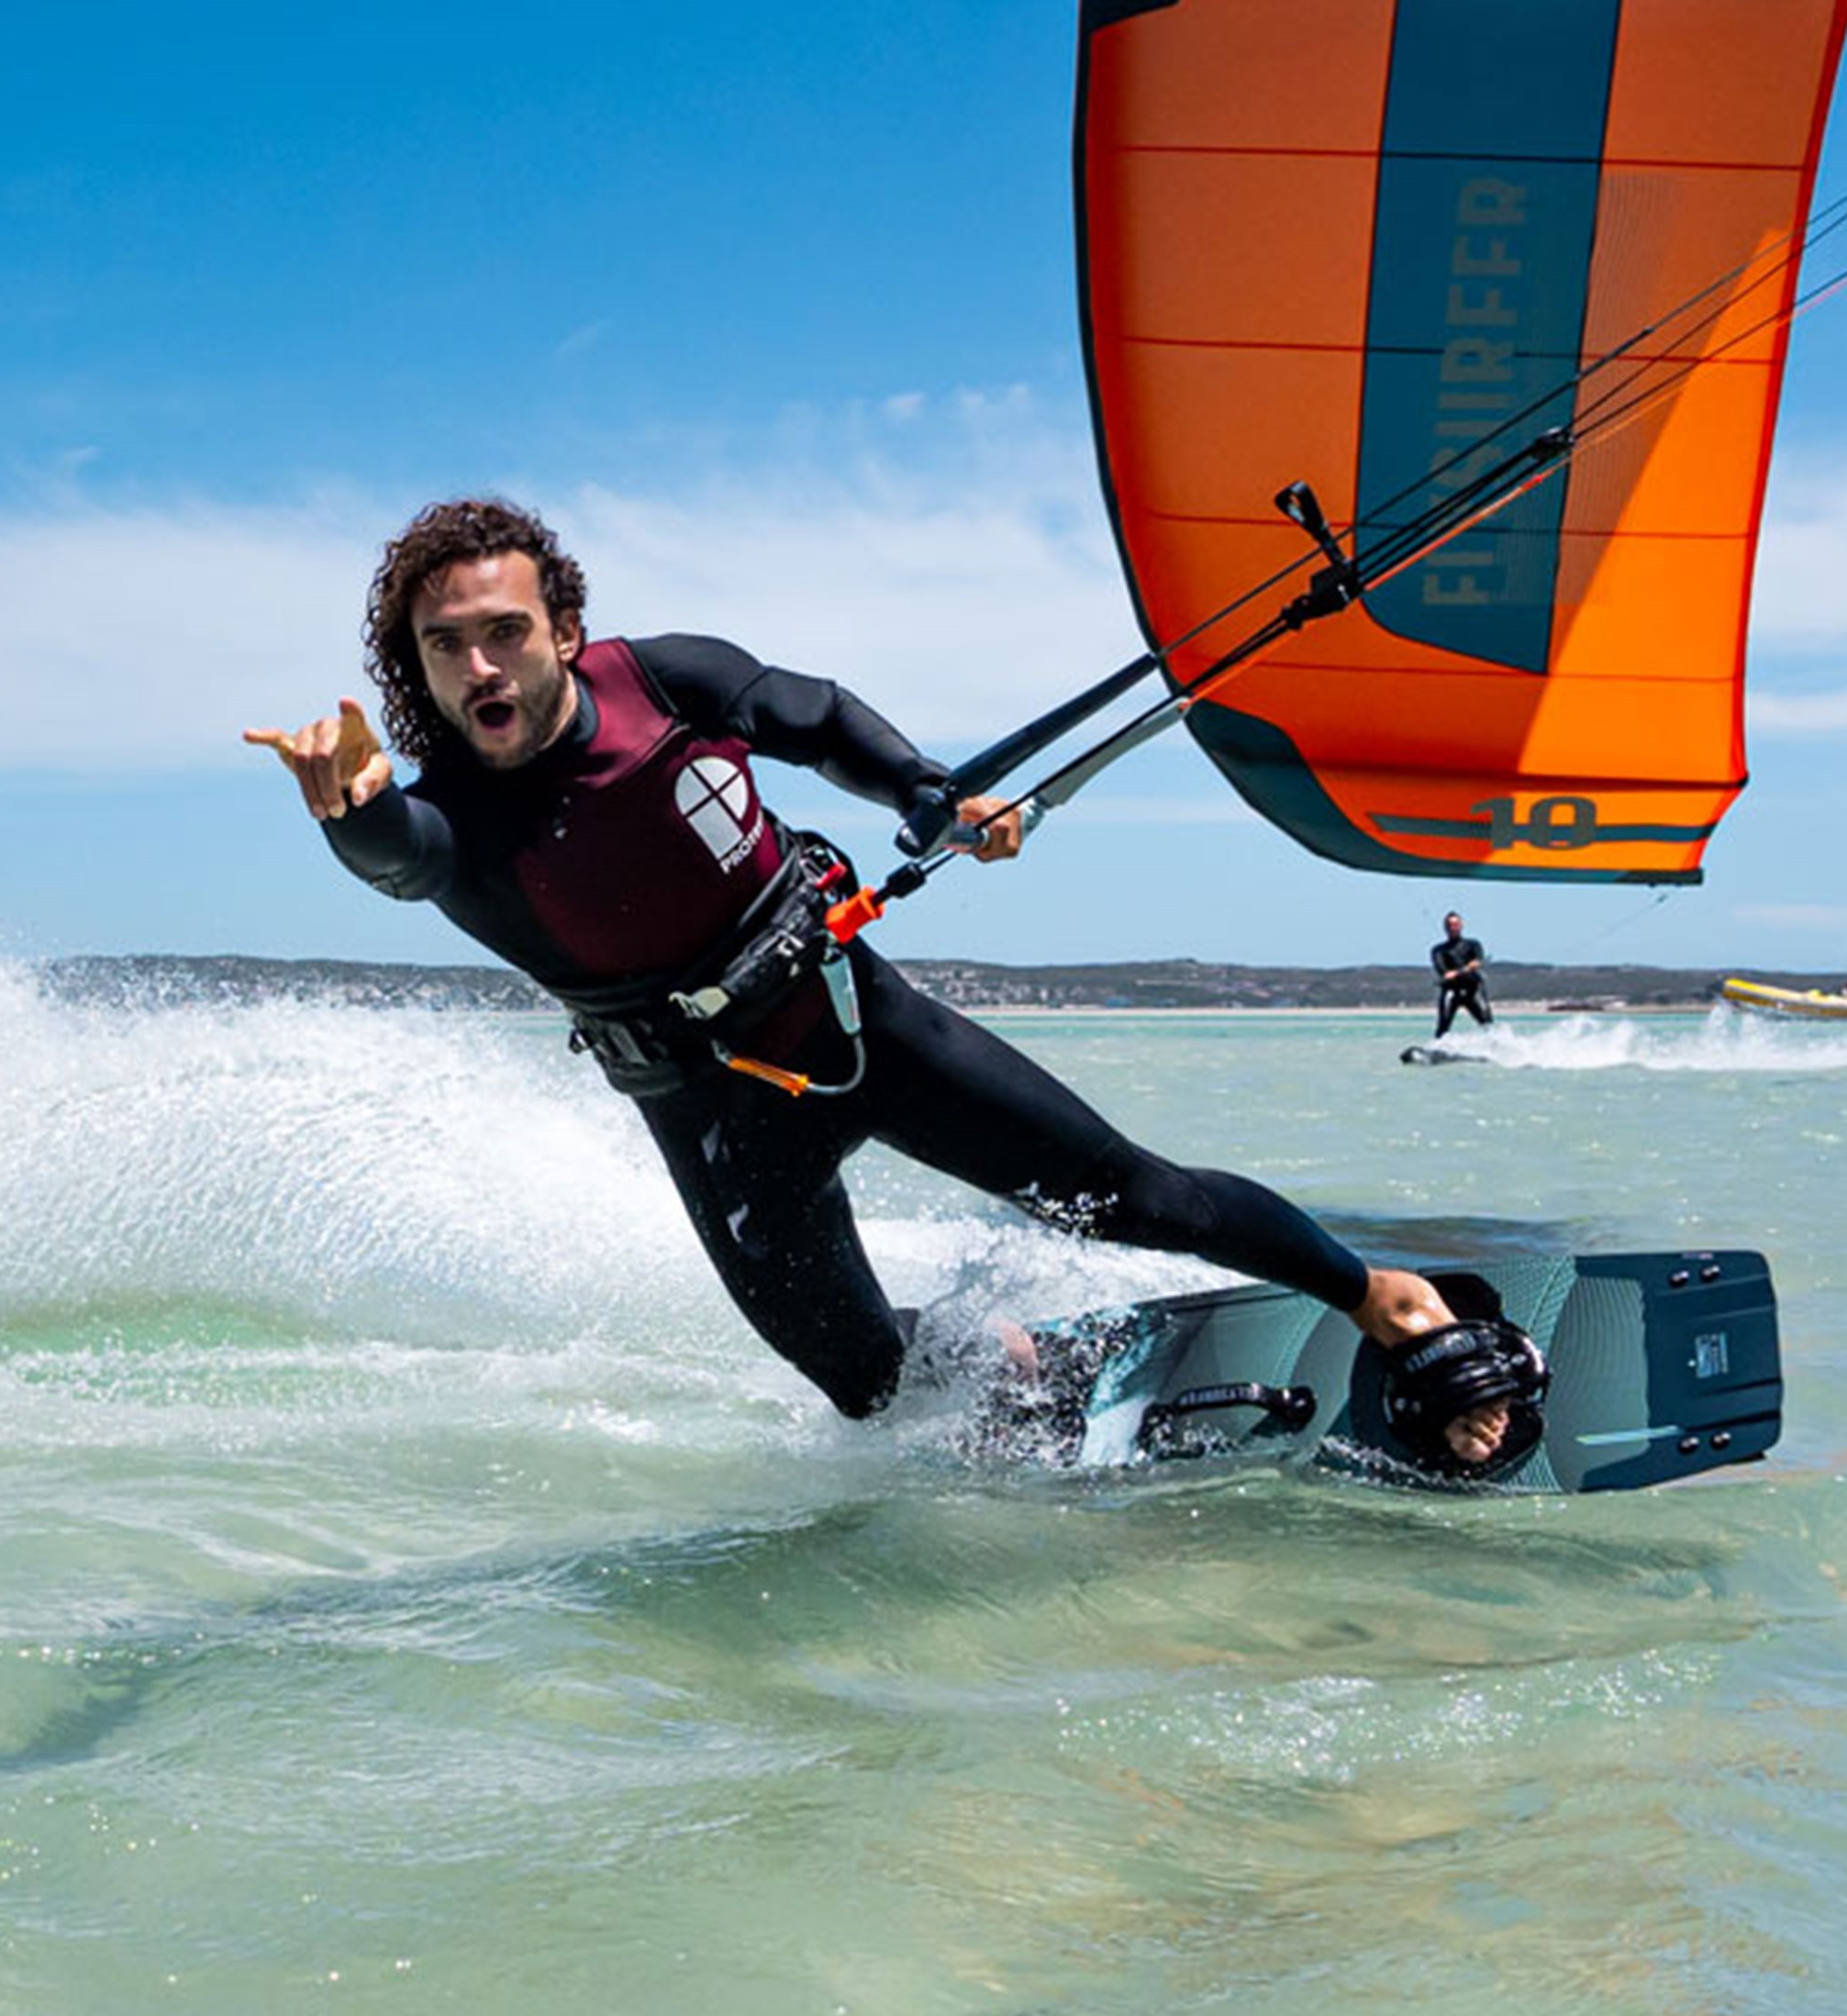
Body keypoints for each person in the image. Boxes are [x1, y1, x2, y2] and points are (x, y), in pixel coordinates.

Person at [248, 498, 1523, 1463]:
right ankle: (997, 1361)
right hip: (719, 1119)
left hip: (862, 1026)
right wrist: (351, 807)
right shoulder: (453, 823)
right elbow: (399, 860)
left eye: (505, 633)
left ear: (563, 633)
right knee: (865, 1388)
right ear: (417, 669)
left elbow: (808, 716)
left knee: (1134, 1198)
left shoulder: (662, 681)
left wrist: (926, 794)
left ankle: (1377, 1293)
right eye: (446, 646)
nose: (480, 667)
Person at [1430, 910, 1493, 1038]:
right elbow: (1444, 971)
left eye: (1455, 925)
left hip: (1473, 989)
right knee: (1443, 1026)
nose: (1453, 928)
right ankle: (1439, 1045)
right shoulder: (1438, 950)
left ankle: (1494, 1043)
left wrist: (1459, 972)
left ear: (1461, 926)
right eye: (1449, 925)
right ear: (1445, 928)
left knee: (1487, 1023)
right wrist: (1452, 974)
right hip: (1451, 990)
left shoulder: (1473, 945)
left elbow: (1476, 962)